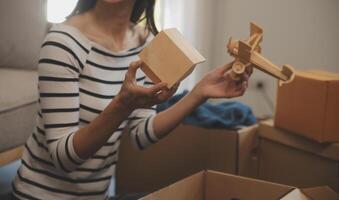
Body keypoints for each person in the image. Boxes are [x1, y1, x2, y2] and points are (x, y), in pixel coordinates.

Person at [11, 0, 252, 199]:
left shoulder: (146, 45)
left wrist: (199, 93)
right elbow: (64, 158)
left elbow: (141, 134)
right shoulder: (63, 42)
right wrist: (122, 104)